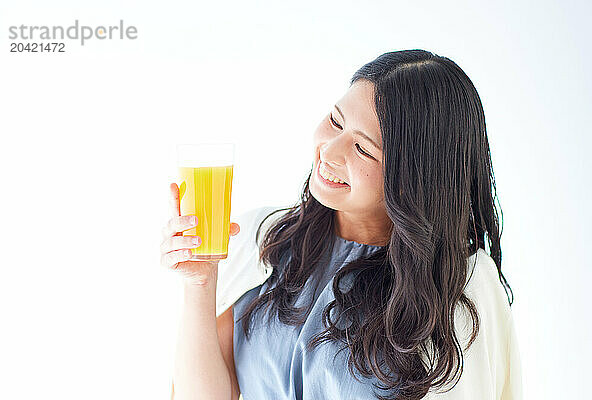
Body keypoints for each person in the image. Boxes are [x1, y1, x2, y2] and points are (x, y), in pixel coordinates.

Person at [161, 49, 523, 400]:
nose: (330, 151)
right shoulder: (262, 241)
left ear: (413, 178)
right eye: (336, 121)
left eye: (363, 149)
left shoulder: (460, 285)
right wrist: (200, 283)